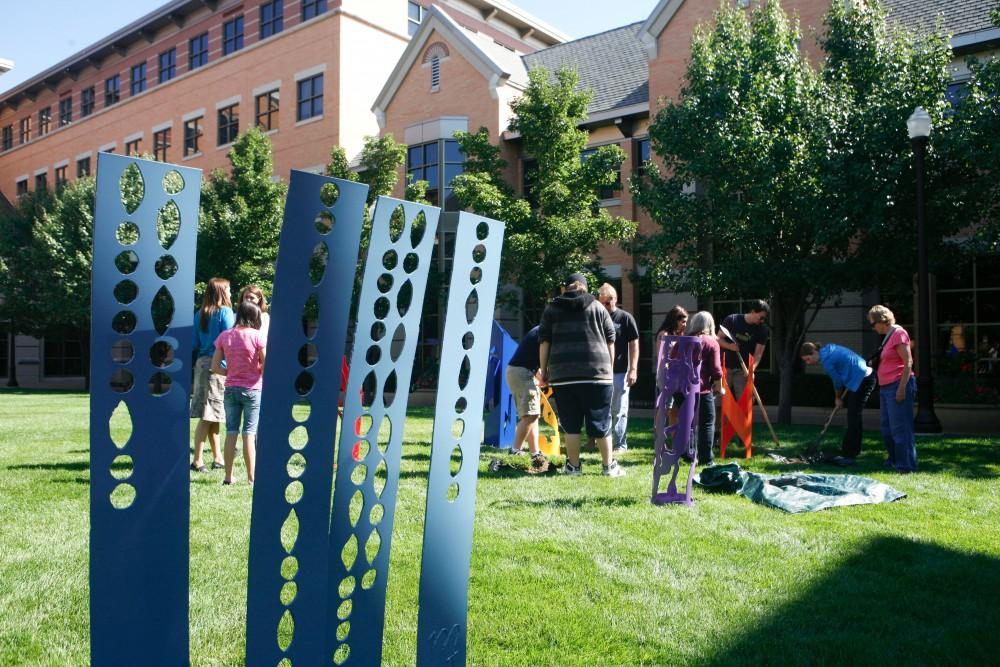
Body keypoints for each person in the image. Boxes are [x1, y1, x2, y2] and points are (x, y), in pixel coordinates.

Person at [539, 273, 624, 477]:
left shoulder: (551, 309)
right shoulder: (597, 307)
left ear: (565, 288)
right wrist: (609, 369)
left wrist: (544, 371)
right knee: (602, 422)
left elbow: (544, 342)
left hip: (563, 374)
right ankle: (609, 467)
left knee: (571, 424)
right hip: (597, 374)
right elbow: (611, 340)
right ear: (585, 288)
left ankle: (574, 467)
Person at [211, 300, 267, 485]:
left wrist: (232, 373)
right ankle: (252, 478)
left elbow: (215, 366)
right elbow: (265, 364)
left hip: (231, 389)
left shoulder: (224, 336)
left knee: (231, 432)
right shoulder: (258, 336)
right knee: (249, 434)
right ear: (254, 316)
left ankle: (228, 477)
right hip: (252, 389)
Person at [800, 341, 876, 464]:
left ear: (814, 352)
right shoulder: (829, 348)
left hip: (863, 378)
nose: (808, 363)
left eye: (808, 359)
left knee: (853, 415)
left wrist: (837, 398)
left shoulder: (827, 360)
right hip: (858, 377)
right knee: (853, 415)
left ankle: (850, 452)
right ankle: (849, 448)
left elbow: (837, 382)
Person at [190, 277, 235, 472]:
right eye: (229, 290)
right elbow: (230, 340)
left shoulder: (199, 314)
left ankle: (218, 458)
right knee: (208, 416)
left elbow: (193, 343)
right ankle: (197, 460)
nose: (231, 294)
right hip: (218, 366)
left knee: (213, 414)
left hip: (201, 363)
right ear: (222, 292)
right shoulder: (225, 312)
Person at [868, 305, 917, 473]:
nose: (872, 328)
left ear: (881, 320)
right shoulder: (888, 337)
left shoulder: (899, 334)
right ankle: (894, 460)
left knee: (900, 428)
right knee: (886, 428)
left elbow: (908, 362)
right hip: (885, 387)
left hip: (898, 385)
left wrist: (902, 388)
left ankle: (905, 466)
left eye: (872, 324)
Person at [674, 311, 722, 465]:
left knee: (686, 421)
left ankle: (688, 454)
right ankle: (706, 458)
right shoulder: (711, 342)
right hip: (701, 389)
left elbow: (671, 359)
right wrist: (719, 387)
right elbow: (716, 370)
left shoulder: (682, 340)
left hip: (680, 388)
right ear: (710, 325)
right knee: (707, 422)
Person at [597, 283, 639, 453]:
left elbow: (634, 343)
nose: (605, 306)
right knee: (602, 408)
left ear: (615, 299)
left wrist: (633, 369)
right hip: (600, 371)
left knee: (619, 409)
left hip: (620, 371)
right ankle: (600, 440)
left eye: (607, 302)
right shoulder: (598, 318)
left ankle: (620, 444)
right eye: (601, 303)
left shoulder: (625, 318)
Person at [505, 325, 546, 466]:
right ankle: (515, 450)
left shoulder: (540, 329)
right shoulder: (546, 331)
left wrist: (541, 378)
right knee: (530, 415)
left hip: (519, 372)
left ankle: (535, 453)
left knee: (532, 415)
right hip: (521, 373)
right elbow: (542, 357)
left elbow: (531, 358)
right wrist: (544, 376)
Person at [718, 300, 770, 401]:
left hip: (742, 371)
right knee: (720, 402)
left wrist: (751, 370)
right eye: (761, 317)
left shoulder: (762, 330)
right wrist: (730, 346)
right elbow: (718, 339)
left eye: (765, 318)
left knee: (744, 403)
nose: (762, 320)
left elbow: (758, 354)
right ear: (753, 311)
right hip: (724, 369)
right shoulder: (732, 320)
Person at [655, 306, 689, 426]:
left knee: (675, 409)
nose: (685, 324)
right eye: (683, 321)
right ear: (675, 320)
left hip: (679, 376)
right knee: (665, 407)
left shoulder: (680, 334)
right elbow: (661, 356)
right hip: (666, 374)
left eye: (686, 322)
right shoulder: (664, 334)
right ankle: (659, 436)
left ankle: (673, 436)